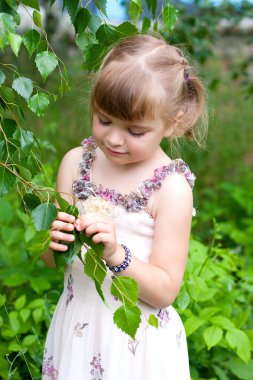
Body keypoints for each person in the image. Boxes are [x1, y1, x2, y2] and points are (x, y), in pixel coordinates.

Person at [41, 34, 207, 379]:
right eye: (104, 120)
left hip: (138, 346)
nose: (115, 139)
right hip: (78, 328)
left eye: (135, 130)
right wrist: (52, 241)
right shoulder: (76, 164)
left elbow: (164, 291)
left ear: (173, 123)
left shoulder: (170, 189)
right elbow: (54, 259)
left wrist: (117, 254)